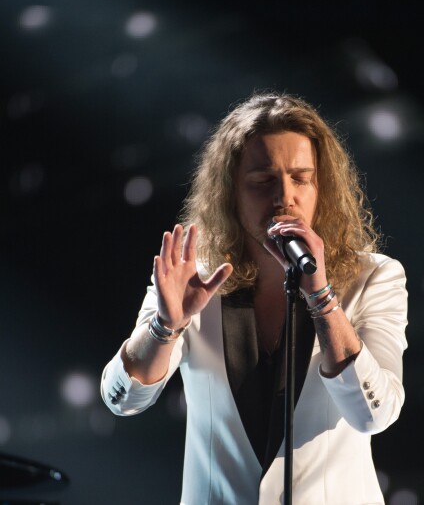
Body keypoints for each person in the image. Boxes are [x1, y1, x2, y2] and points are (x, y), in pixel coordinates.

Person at [101, 93, 408, 504]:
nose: (286, 197)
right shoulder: (194, 276)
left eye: (301, 178)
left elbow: (375, 413)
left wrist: (320, 295)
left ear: (322, 186)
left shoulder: (374, 277)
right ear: (231, 192)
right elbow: (123, 399)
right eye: (263, 181)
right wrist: (165, 326)